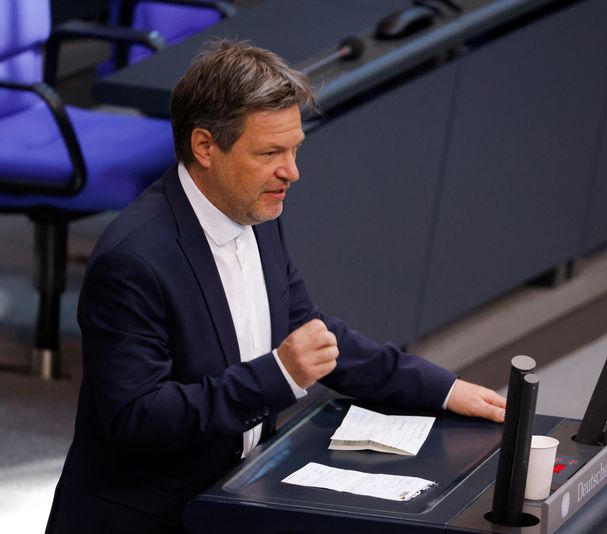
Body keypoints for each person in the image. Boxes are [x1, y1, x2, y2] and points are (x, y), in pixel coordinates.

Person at [45, 39, 506, 534]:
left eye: (293, 150)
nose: (292, 172)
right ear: (204, 147)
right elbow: (137, 418)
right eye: (270, 153)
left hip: (234, 499)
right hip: (150, 519)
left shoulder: (256, 212)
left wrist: (442, 388)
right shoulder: (133, 259)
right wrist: (278, 375)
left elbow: (312, 333)